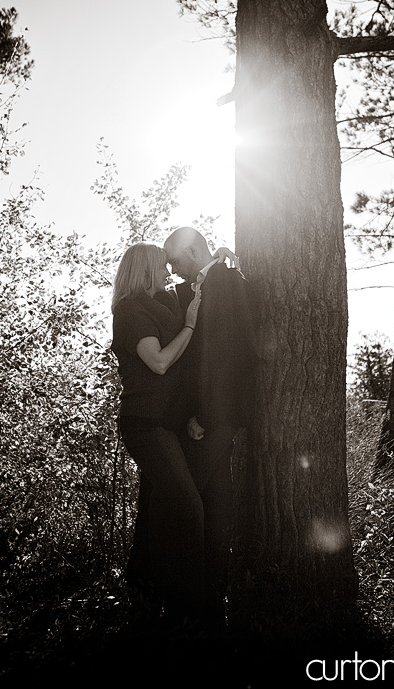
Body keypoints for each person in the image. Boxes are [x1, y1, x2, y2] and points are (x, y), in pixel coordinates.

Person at [111, 240, 229, 632]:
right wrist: (191, 325)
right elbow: (159, 362)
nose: (168, 273)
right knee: (187, 508)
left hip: (169, 424)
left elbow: (199, 280)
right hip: (146, 425)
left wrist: (221, 260)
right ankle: (193, 608)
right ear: (145, 271)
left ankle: (147, 593)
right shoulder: (129, 311)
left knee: (159, 512)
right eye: (161, 268)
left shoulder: (162, 303)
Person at [163, 227, 259, 631]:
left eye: (174, 260)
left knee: (192, 507)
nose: (171, 268)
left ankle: (195, 603)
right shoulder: (203, 284)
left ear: (192, 250)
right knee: (215, 504)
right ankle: (211, 601)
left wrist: (207, 413)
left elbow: (230, 354)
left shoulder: (225, 280)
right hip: (207, 416)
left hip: (218, 416)